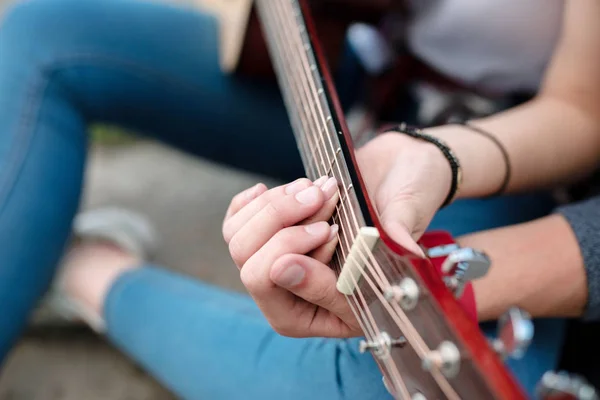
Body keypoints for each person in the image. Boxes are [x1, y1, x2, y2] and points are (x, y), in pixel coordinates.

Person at [0, 0, 598, 398]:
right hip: (365, 74)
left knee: (390, 373)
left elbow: (583, 111)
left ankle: (84, 269)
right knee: (44, 35)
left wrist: (438, 160)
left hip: (510, 141)